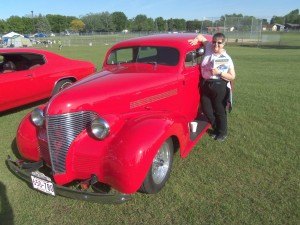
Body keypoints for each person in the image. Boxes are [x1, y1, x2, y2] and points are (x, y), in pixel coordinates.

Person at [189, 33, 236, 141]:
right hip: (206, 83)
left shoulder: (227, 58)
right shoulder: (209, 46)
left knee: (219, 110)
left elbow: (232, 76)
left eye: (219, 43)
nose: (216, 45)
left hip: (219, 85)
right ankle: (216, 128)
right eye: (214, 42)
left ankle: (222, 133)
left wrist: (220, 72)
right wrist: (196, 39)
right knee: (207, 109)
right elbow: (201, 36)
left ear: (223, 44)